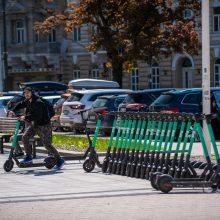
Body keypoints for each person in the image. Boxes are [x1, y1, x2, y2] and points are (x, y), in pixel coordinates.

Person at [10, 87, 64, 169]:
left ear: (32, 93)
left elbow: (37, 116)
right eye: (25, 93)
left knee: (47, 145)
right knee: (25, 137)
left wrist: (25, 117)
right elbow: (20, 104)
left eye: (28, 92)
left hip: (44, 125)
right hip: (35, 125)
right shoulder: (28, 101)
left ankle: (60, 160)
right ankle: (28, 157)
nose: (26, 94)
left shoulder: (38, 102)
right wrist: (12, 110)